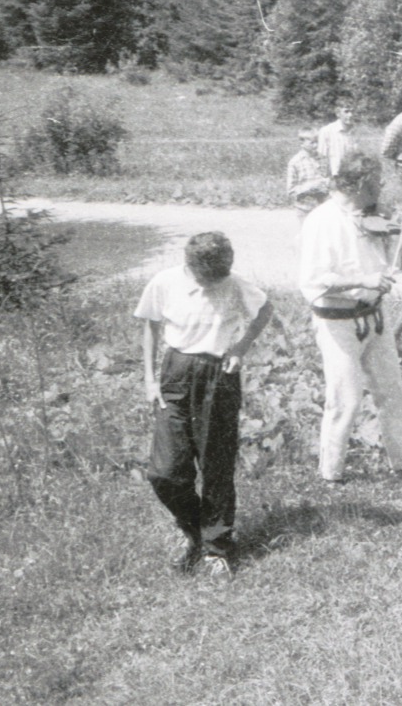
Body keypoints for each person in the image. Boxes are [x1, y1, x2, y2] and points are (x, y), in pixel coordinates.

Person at [138, 232, 273, 578]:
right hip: (176, 374)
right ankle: (193, 527)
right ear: (190, 264)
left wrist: (240, 348)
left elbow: (265, 310)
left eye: (219, 277)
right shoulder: (165, 282)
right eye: (206, 277)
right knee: (164, 472)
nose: (214, 283)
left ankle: (217, 548)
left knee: (216, 467)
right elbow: (151, 328)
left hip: (218, 377)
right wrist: (151, 381)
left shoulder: (235, 284)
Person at [299, 152, 402, 483]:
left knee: (391, 392)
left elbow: (396, 262)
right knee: (345, 400)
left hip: (375, 316)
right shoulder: (322, 220)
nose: (382, 188)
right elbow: (315, 280)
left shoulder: (370, 216)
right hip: (337, 321)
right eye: (378, 182)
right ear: (362, 184)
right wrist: (363, 281)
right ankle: (331, 475)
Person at [285, 127, 330, 218]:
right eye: (312, 143)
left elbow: (328, 177)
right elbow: (291, 191)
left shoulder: (323, 158)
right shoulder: (295, 162)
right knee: (307, 232)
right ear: (302, 143)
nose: (316, 145)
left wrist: (328, 182)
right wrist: (309, 187)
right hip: (305, 209)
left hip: (323, 206)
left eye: (317, 142)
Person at [317, 100, 356, 178]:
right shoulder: (327, 131)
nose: (350, 115)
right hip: (334, 176)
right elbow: (321, 157)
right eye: (346, 112)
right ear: (338, 114)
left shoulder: (354, 131)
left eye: (352, 111)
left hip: (351, 175)